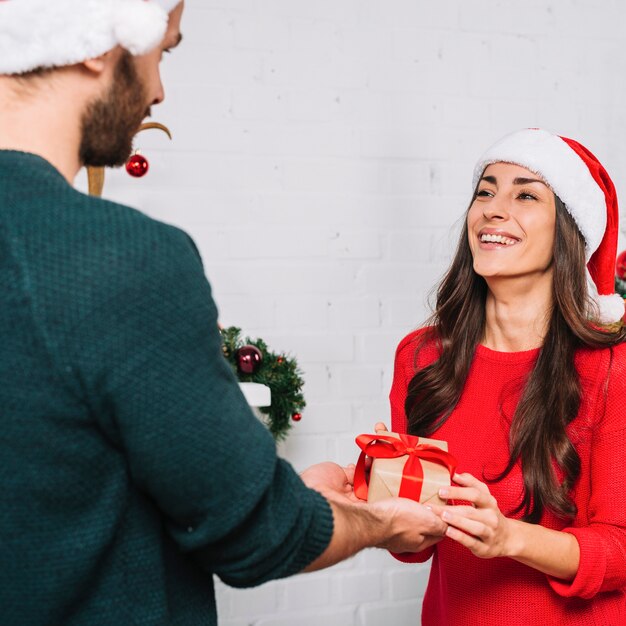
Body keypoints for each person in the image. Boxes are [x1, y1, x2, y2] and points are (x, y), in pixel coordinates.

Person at [0, 2, 447, 624]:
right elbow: (256, 535)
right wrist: (378, 520)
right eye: (166, 50)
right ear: (98, 45)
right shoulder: (116, 258)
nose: (158, 90)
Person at [387, 128, 626, 625]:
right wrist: (383, 502)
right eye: (485, 191)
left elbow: (620, 548)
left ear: (568, 229)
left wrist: (507, 537)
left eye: (525, 195)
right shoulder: (421, 357)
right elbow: (412, 550)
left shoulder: (611, 367)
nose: (494, 208)